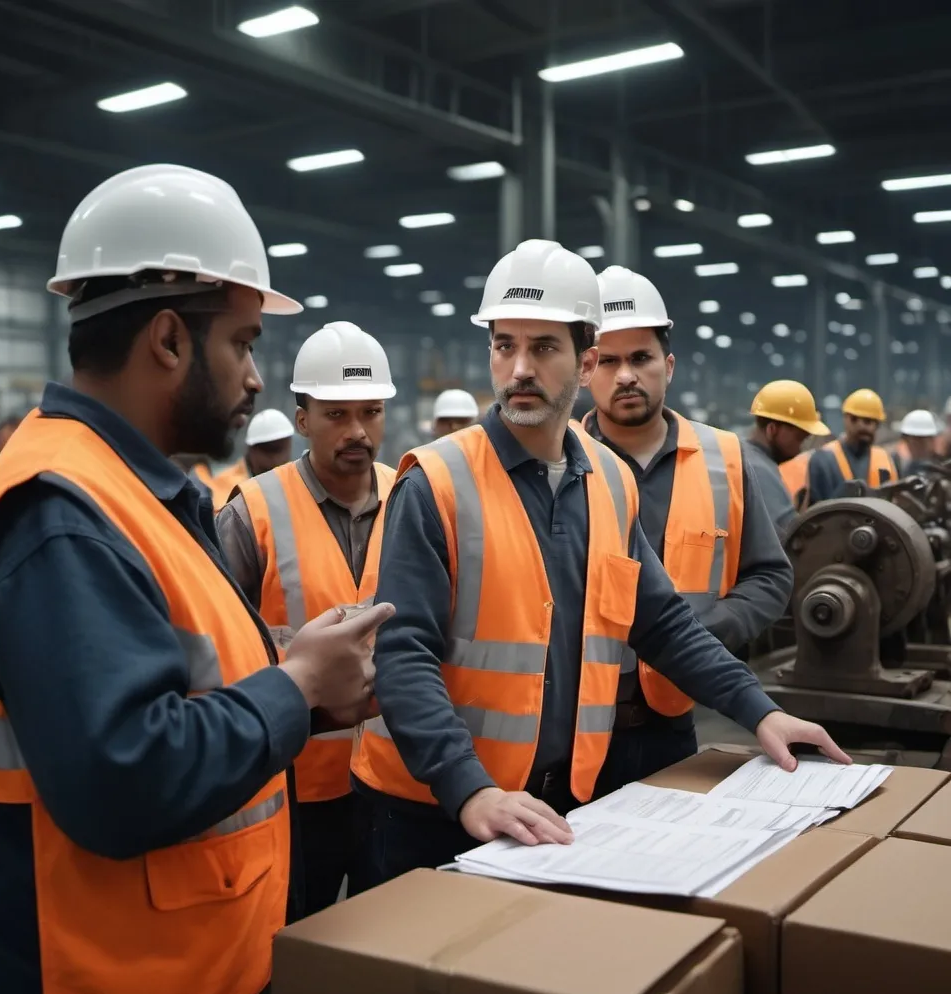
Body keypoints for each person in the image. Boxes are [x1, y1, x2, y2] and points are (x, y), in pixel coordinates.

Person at [0, 163, 393, 994]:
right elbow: (122, 779)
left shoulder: (143, 497)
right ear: (168, 342)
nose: (257, 380)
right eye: (244, 342)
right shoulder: (61, 519)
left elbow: (183, 691)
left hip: (181, 980)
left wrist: (303, 689)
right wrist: (293, 688)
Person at [350, 239, 848, 886]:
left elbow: (664, 624)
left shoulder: (610, 482)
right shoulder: (437, 483)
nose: (520, 368)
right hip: (429, 807)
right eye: (505, 345)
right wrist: (468, 789)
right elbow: (403, 656)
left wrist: (761, 711)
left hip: (549, 803)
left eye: (544, 347)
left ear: (584, 362)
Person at [582, 266, 796, 786]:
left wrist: (709, 631)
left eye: (641, 358)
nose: (625, 375)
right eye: (608, 360)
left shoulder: (724, 458)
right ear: (586, 369)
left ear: (668, 365)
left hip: (673, 722)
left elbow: (770, 576)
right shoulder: (559, 463)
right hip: (569, 725)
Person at [218, 321, 396, 915]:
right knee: (293, 945)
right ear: (302, 420)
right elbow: (222, 657)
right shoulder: (254, 515)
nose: (356, 432)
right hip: (293, 782)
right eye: (336, 415)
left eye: (370, 413)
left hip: (396, 777)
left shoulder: (414, 499)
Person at [747, 380, 830, 532]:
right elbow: (787, 539)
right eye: (800, 438)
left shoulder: (748, 459)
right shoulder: (759, 470)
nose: (800, 449)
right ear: (772, 430)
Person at [807, 389, 899, 503]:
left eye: (869, 421)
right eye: (855, 419)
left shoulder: (885, 459)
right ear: (846, 419)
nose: (863, 427)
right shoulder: (824, 459)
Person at [209, 408, 294, 510]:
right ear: (251, 449)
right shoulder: (225, 487)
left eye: (278, 449)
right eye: (268, 449)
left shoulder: (297, 484)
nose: (275, 459)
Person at [898, 409, 939, 476]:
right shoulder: (900, 469)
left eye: (921, 440)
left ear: (932, 440)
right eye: (913, 440)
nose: (917, 446)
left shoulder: (942, 470)